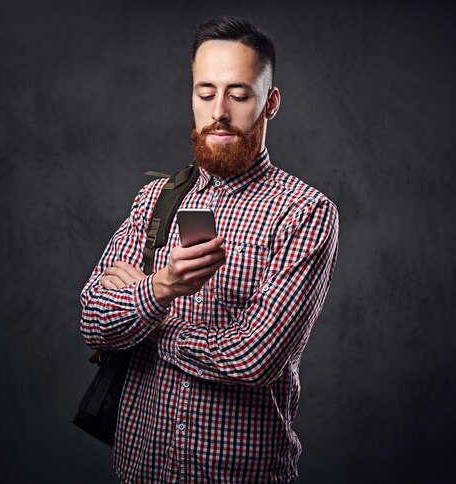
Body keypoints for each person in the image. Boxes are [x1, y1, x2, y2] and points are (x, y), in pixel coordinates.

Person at [80, 15, 339, 482]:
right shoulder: (157, 198)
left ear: (270, 102)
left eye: (239, 94)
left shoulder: (304, 214)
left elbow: (253, 358)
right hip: (140, 470)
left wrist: (149, 317)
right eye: (205, 93)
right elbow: (92, 320)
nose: (219, 110)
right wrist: (159, 288)